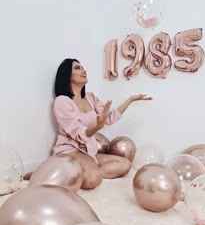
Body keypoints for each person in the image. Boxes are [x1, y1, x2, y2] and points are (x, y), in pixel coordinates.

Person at [53, 58, 152, 189]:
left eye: (82, 67)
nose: (83, 70)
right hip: (70, 151)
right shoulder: (62, 101)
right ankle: (57, 172)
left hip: (89, 152)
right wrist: (98, 126)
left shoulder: (90, 97)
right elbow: (78, 133)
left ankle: (79, 171)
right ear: (67, 75)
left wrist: (130, 100)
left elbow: (109, 118)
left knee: (125, 164)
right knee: (93, 180)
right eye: (77, 68)